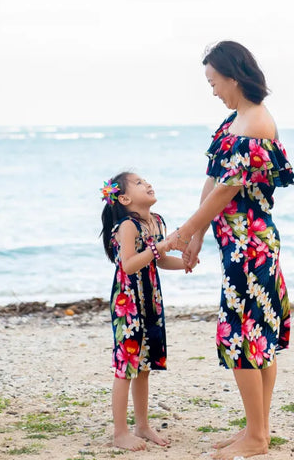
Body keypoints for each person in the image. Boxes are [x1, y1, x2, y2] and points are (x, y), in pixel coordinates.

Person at [168, 41, 294, 460]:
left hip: (252, 245)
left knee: (245, 336)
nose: (212, 91)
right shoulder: (234, 121)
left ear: (234, 77)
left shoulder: (257, 122)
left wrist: (185, 231)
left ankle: (257, 437)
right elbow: (213, 178)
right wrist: (200, 236)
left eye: (214, 82)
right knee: (254, 334)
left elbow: (228, 189)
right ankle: (255, 428)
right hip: (235, 243)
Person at [100, 171, 190, 451]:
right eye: (139, 183)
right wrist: (162, 245)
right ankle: (119, 432)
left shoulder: (157, 221)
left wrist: (186, 261)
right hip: (128, 300)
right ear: (124, 198)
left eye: (146, 180)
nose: (148, 184)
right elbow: (128, 264)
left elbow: (159, 260)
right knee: (126, 366)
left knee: (144, 366)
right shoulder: (128, 225)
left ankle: (142, 425)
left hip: (150, 298)